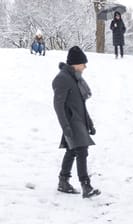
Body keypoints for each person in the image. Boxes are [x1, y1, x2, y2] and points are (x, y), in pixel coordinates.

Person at [52, 46, 100, 198]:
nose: (85, 66)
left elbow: (81, 104)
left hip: (79, 120)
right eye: (83, 63)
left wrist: (90, 123)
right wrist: (65, 126)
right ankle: (86, 186)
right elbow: (58, 106)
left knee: (72, 151)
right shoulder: (62, 79)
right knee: (82, 151)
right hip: (71, 122)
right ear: (75, 63)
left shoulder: (75, 78)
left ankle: (63, 181)